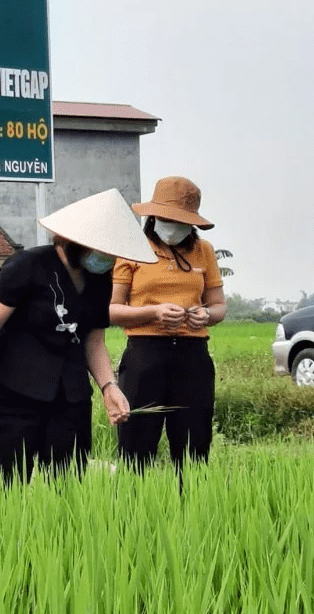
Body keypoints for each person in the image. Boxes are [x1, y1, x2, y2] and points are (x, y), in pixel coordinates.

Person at [0, 189, 156, 484]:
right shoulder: (27, 265)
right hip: (15, 395)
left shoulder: (100, 279)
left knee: (66, 486)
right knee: (2, 487)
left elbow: (93, 339)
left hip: (71, 399)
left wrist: (108, 386)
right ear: (75, 240)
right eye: (101, 249)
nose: (107, 258)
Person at [109, 176, 227, 473]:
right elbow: (112, 310)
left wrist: (206, 316)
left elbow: (218, 306)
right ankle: (133, 512)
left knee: (193, 447)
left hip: (192, 356)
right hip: (145, 356)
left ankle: (191, 510)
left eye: (181, 220)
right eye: (167, 218)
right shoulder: (132, 249)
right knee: (136, 444)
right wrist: (153, 313)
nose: (173, 226)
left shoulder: (205, 251)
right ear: (154, 216)